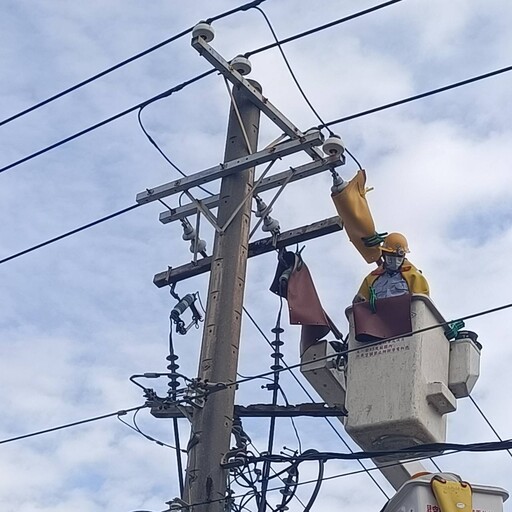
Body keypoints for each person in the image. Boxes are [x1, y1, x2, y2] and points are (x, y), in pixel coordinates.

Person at [354, 232, 429, 302]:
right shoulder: (371, 279)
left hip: (404, 315)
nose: (395, 261)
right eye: (391, 257)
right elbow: (361, 306)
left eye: (399, 257)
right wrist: (359, 300)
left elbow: (421, 303)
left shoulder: (414, 276)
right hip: (379, 315)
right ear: (383, 254)